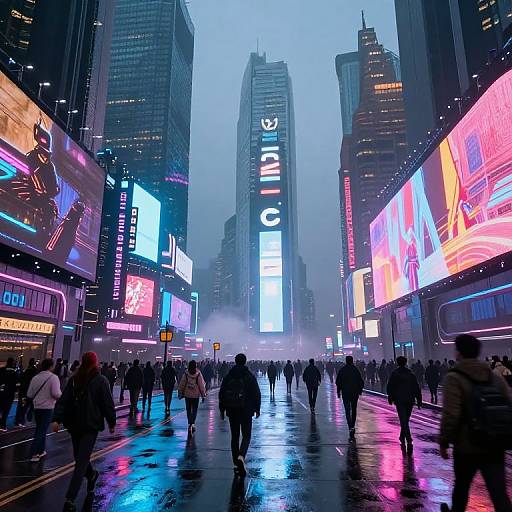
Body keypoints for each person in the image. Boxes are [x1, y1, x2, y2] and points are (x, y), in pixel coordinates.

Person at [439, 335, 512, 512]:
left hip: (467, 445)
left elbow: (451, 414)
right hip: (494, 443)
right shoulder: (493, 375)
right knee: (499, 494)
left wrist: (443, 441)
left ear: (458, 352)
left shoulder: (454, 377)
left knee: (462, 488)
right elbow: (508, 403)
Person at [52, 352, 116, 512]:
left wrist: (111, 420)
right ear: (95, 362)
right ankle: (92, 475)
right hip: (77, 424)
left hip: (88, 425)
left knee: (80, 460)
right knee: (79, 457)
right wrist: (57, 418)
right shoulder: (76, 380)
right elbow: (64, 400)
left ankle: (70, 498)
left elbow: (106, 403)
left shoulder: (96, 380)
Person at [219, 353, 261, 477]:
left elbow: (221, 394)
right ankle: (241, 456)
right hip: (246, 410)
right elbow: (256, 393)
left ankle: (236, 462)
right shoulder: (249, 376)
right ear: (245, 361)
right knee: (246, 435)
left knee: (235, 436)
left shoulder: (229, 376)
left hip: (232, 410)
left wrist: (222, 409)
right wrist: (257, 408)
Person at [27, 358, 61, 461]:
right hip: (48, 407)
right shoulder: (53, 378)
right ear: (51, 366)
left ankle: (41, 450)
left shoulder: (35, 378)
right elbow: (56, 393)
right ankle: (34, 453)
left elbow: (30, 394)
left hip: (37, 407)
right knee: (41, 430)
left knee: (40, 429)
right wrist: (60, 395)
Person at [387, 356, 422, 453]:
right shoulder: (411, 374)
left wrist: (390, 397)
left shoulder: (395, 374)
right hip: (410, 400)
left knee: (403, 420)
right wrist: (419, 399)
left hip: (399, 400)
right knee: (405, 419)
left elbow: (390, 387)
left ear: (397, 363)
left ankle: (408, 439)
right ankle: (404, 437)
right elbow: (416, 387)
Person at [336, 356, 364, 438]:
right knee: (354, 408)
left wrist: (338, 392)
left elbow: (338, 382)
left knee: (347, 409)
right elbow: (360, 381)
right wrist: (360, 390)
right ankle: (353, 425)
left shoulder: (342, 370)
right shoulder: (355, 370)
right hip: (354, 392)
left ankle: (350, 426)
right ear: (352, 361)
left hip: (345, 392)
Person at [178, 360, 206, 434]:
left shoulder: (186, 374)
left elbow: (182, 384)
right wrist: (203, 394)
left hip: (187, 395)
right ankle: (192, 423)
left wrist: (180, 393)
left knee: (188, 409)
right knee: (194, 410)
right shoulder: (198, 374)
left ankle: (189, 422)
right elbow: (201, 385)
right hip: (196, 395)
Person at [15, 358, 38, 426]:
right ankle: (24, 420)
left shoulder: (26, 371)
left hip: (24, 392)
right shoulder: (35, 372)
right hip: (30, 393)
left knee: (22, 406)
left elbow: (21, 380)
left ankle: (18, 421)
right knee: (28, 407)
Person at [0, 357, 19, 431]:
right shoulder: (15, 373)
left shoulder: (1, 370)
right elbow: (17, 385)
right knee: (6, 410)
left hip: (1, 392)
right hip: (9, 394)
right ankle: (3, 425)